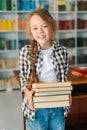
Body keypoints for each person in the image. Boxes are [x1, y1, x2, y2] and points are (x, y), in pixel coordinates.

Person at [19, 8, 71, 130]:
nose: (40, 31)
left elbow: (64, 78)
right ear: (31, 32)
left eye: (44, 26)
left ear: (51, 27)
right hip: (37, 108)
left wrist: (68, 94)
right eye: (35, 28)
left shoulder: (62, 51)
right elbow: (23, 80)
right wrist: (28, 94)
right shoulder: (25, 52)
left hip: (58, 106)